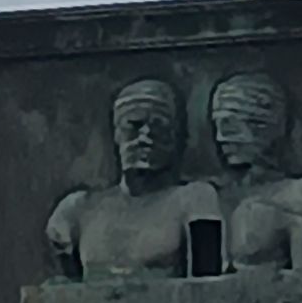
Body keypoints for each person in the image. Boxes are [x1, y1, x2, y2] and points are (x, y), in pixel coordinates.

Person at [43, 79, 220, 280]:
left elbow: (207, 288)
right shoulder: (75, 211)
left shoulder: (195, 200)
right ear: (116, 134)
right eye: (134, 126)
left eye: (159, 127)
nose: (145, 138)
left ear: (177, 136)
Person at [206, 71, 302, 271]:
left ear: (265, 126)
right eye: (217, 126)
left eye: (231, 127)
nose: (220, 138)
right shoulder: (207, 198)